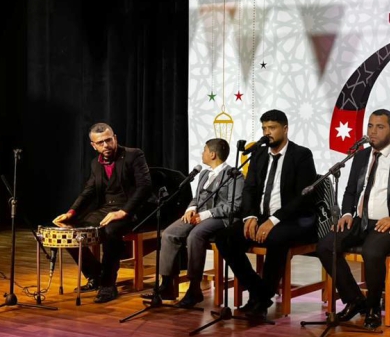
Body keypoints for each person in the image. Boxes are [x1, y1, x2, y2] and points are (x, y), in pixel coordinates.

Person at [317, 109, 390, 329]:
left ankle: (373, 308)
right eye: (370, 126)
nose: (373, 131)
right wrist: (347, 213)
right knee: (325, 245)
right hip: (361, 220)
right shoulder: (361, 156)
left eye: (380, 127)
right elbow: (350, 191)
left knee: (372, 251)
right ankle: (354, 299)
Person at [214, 110, 317, 318]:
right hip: (261, 216)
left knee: (276, 238)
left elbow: (303, 197)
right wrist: (250, 217)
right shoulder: (259, 154)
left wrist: (274, 220)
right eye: (264, 128)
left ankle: (260, 301)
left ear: (285, 129)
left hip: (292, 218)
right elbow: (249, 189)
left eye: (272, 128)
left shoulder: (301, 155)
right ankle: (259, 292)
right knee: (224, 237)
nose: (267, 132)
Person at [53, 122, 152, 303]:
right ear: (94, 145)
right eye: (100, 142)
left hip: (132, 210)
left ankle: (108, 285)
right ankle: (95, 275)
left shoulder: (134, 155)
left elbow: (144, 187)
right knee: (70, 232)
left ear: (115, 138)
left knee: (111, 230)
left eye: (108, 140)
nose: (106, 145)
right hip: (106, 209)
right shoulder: (95, 164)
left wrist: (123, 211)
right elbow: (88, 191)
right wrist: (71, 212)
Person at [152, 138, 243, 308]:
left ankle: (194, 288)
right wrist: (191, 208)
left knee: (195, 236)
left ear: (213, 154)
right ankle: (167, 284)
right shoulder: (204, 174)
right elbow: (197, 197)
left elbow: (234, 206)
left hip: (219, 218)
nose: (202, 153)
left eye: (204, 150)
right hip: (199, 214)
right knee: (169, 233)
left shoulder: (234, 175)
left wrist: (206, 214)